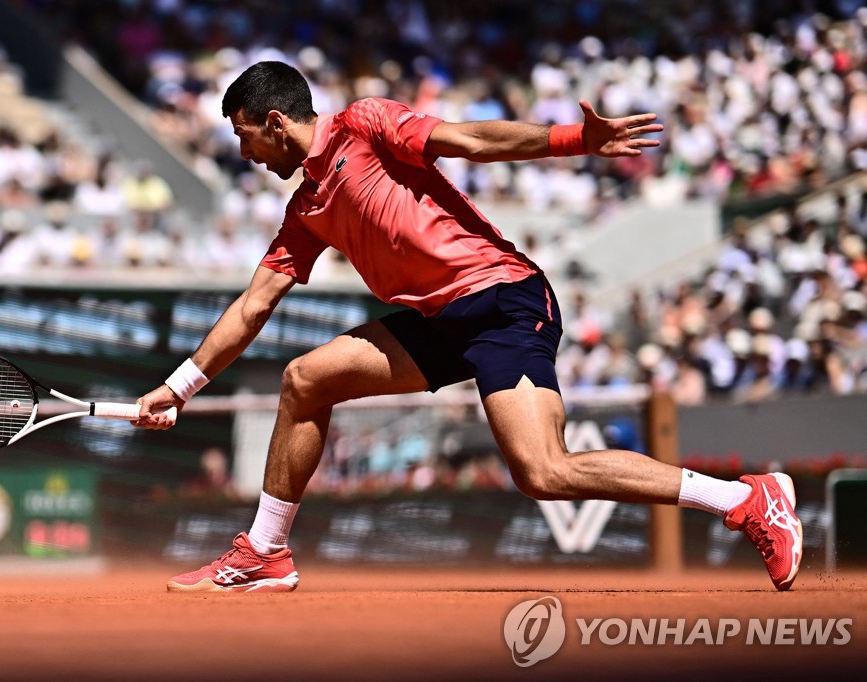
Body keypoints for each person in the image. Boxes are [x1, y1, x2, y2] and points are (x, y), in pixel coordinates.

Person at [133, 61, 803, 593]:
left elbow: (469, 139)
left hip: (502, 299)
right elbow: (254, 305)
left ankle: (747, 500)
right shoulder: (307, 208)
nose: (244, 153)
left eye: (244, 135)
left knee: (544, 471)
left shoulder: (365, 126)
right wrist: (180, 386)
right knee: (306, 379)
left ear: (275, 123)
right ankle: (266, 553)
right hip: (441, 321)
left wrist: (573, 140)